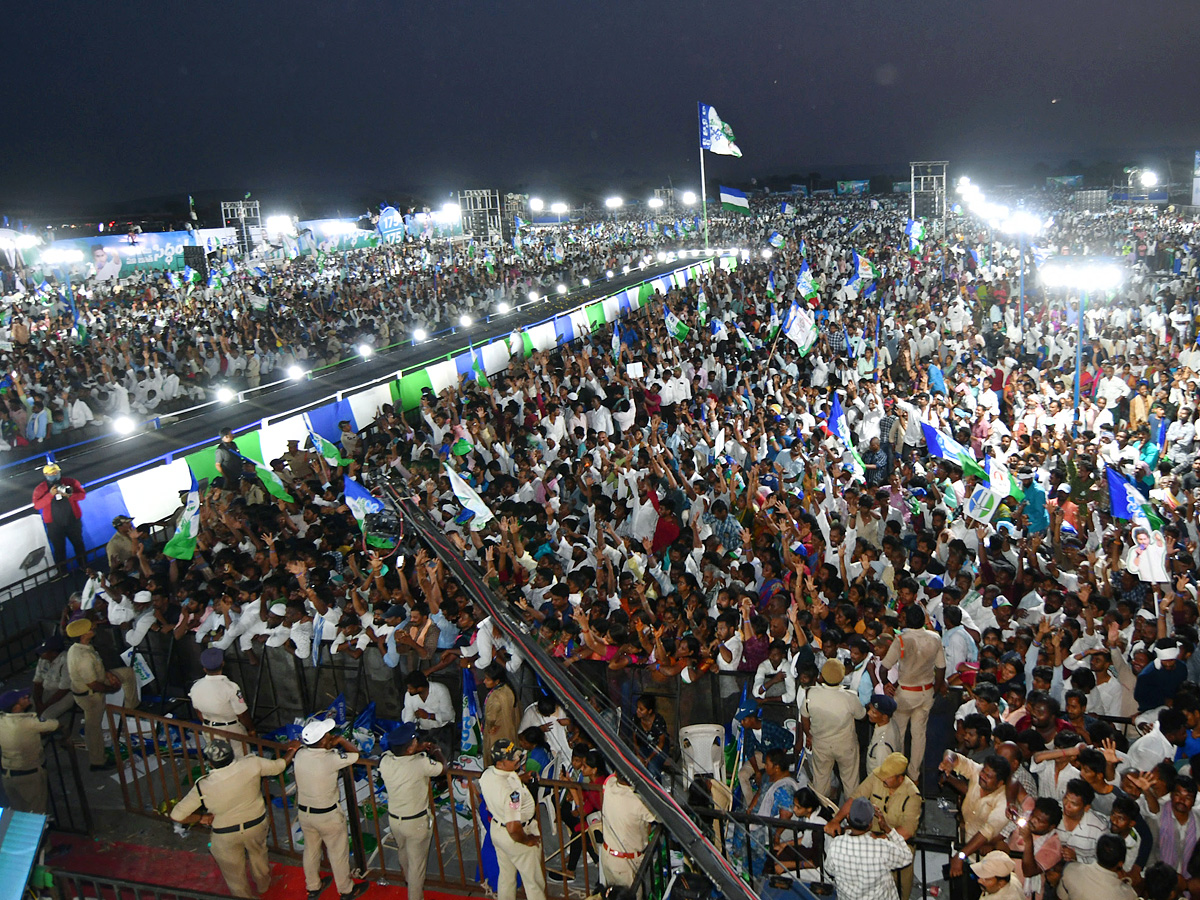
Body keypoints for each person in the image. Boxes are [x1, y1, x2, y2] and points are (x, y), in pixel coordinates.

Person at [170, 738, 299, 899]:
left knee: (234, 876)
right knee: (259, 855)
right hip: (256, 825)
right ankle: (264, 886)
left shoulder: (203, 786)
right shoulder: (252, 764)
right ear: (232, 755)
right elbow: (279, 766)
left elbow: (177, 815)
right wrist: (292, 750)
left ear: (210, 763)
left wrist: (202, 817)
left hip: (225, 835)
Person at [826, 752, 921, 900]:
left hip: (895, 841)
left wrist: (881, 839)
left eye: (887, 776)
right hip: (872, 838)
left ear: (900, 778)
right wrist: (836, 820)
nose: (882, 778)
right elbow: (855, 798)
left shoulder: (912, 795)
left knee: (903, 884)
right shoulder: (876, 778)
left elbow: (907, 831)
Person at [293, 718, 368, 900]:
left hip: (305, 813)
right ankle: (346, 890)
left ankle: (313, 887)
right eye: (327, 735)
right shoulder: (331, 759)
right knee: (337, 853)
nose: (330, 736)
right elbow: (356, 754)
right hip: (327, 816)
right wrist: (341, 741)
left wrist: (328, 744)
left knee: (311, 850)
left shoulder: (301, 755)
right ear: (323, 740)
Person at [378, 723, 445, 900]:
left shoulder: (385, 761)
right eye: (414, 741)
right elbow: (442, 768)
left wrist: (416, 749)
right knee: (417, 864)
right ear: (409, 749)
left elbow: (398, 755)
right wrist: (436, 751)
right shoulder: (421, 763)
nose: (417, 741)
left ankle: (407, 879)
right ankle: (415, 896)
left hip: (395, 820)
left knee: (403, 851)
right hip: (416, 822)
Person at [880, 604, 947, 783]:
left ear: (907, 620)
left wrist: (887, 684)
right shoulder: (935, 638)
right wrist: (936, 689)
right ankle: (914, 775)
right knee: (919, 736)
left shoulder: (902, 640)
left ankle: (898, 773)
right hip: (926, 693)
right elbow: (941, 668)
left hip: (905, 694)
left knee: (899, 734)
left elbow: (884, 668)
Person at [477, 739, 545, 900]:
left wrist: (520, 778)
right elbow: (513, 828)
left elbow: (501, 783)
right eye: (512, 758)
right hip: (515, 836)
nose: (517, 759)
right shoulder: (512, 792)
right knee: (533, 883)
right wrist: (527, 840)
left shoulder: (487, 774)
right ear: (500, 763)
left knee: (506, 878)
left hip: (497, 831)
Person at [800, 657, 866, 801]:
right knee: (851, 783)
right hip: (846, 746)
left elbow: (804, 717)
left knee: (820, 783)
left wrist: (809, 735)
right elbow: (861, 716)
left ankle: (820, 817)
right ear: (842, 677)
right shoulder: (850, 697)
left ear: (821, 675)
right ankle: (850, 818)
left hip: (821, 745)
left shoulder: (811, 693)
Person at [824, 796, 914, 900]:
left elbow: (829, 869)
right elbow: (907, 856)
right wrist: (887, 828)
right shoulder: (880, 848)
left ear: (848, 817)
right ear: (870, 825)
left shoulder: (836, 845)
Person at [65, 616, 117, 770]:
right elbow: (93, 684)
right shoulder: (83, 658)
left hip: (89, 689)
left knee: (126, 674)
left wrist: (107, 674)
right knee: (93, 729)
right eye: (90, 628)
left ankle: (133, 704)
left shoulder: (79, 647)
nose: (93, 628)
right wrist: (112, 689)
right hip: (91, 695)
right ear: (84, 635)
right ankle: (97, 761)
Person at [0, 688, 58, 813]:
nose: (27, 697)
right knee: (36, 814)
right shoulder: (28, 722)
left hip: (7, 774)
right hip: (29, 774)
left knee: (18, 813)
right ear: (16, 706)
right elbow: (54, 724)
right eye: (23, 698)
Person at [190, 648, 255, 756]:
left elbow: (198, 712)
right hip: (231, 730)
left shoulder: (195, 687)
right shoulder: (231, 687)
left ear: (204, 669)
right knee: (241, 758)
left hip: (209, 729)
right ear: (223, 663)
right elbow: (242, 714)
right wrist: (251, 729)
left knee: (219, 759)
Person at [600, 770, 657, 886]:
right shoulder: (638, 801)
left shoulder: (610, 785)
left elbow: (611, 777)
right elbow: (660, 816)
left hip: (607, 855)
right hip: (625, 863)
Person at [32, 463, 86, 569]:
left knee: (79, 544)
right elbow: (37, 505)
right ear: (45, 474)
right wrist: (50, 495)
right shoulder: (40, 488)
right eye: (51, 473)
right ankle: (62, 572)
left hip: (72, 521)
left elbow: (82, 495)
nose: (54, 475)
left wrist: (70, 495)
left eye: (56, 472)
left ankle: (84, 566)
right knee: (59, 549)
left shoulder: (71, 482)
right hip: (54, 525)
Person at [1058, 833, 1137, 900]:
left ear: (1096, 851)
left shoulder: (1071, 870)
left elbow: (1061, 897)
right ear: (1120, 863)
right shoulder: (1127, 895)